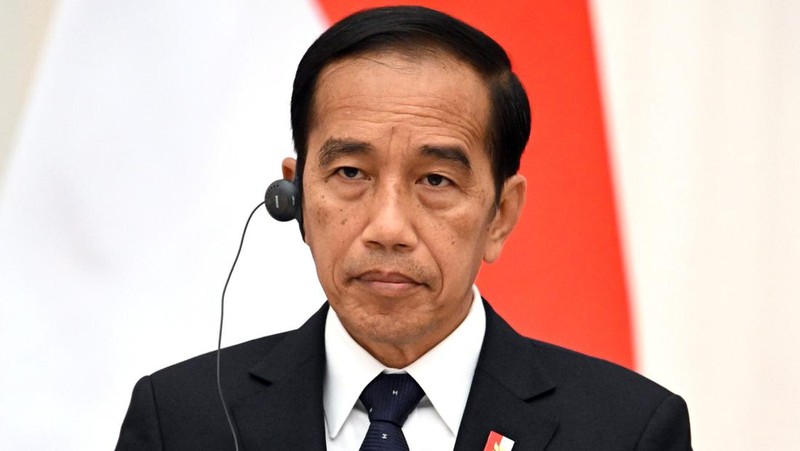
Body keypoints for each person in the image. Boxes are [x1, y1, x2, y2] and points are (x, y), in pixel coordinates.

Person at [116, 6, 691, 450]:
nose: (388, 228)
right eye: (350, 173)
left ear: (501, 215)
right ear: (296, 197)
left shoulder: (627, 430)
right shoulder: (182, 420)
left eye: (436, 180)